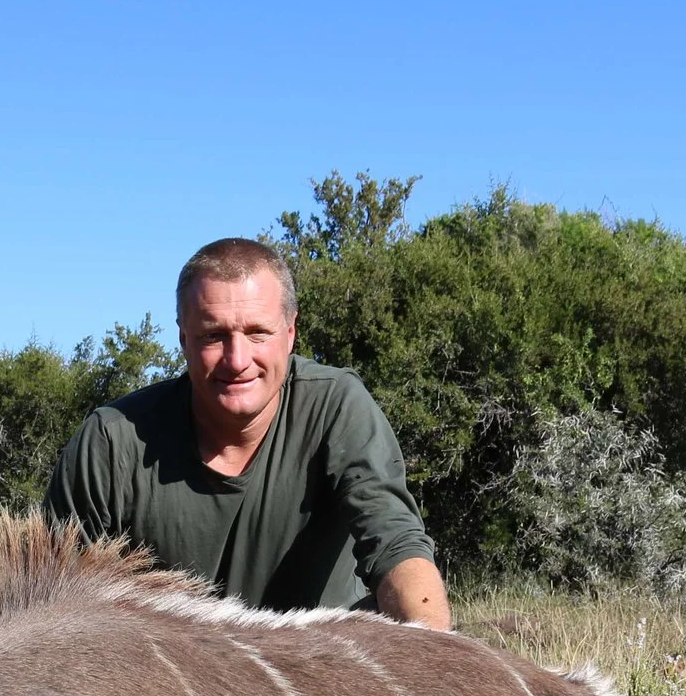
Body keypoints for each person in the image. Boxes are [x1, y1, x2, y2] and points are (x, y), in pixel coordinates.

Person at [43, 238, 452, 627]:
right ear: (183, 337)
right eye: (213, 335)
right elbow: (49, 600)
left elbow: (396, 545)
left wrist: (431, 650)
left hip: (319, 677)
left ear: (290, 332)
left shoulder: (336, 405)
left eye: (258, 332)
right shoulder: (113, 440)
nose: (237, 360)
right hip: (169, 685)